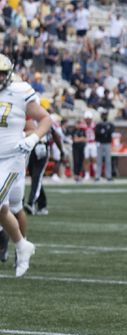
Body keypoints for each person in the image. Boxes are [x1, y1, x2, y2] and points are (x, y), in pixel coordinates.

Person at [0, 54, 44, 276]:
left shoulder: (20, 91)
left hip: (11, 158)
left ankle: (19, 245)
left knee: (9, 205)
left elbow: (46, 119)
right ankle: (21, 244)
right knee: (3, 209)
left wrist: (33, 138)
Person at [95, 108, 114, 181]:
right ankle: (97, 176)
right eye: (103, 115)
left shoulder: (110, 124)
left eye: (105, 115)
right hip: (100, 143)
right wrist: (104, 132)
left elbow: (110, 131)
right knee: (99, 160)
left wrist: (104, 132)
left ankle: (108, 176)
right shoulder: (98, 124)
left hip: (107, 143)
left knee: (108, 160)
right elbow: (97, 132)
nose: (104, 116)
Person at [79, 110, 97, 182]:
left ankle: (96, 174)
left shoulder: (94, 125)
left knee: (94, 159)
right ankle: (87, 174)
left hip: (93, 143)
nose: (88, 120)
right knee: (86, 159)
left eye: (89, 119)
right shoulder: (82, 125)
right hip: (86, 143)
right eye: (87, 118)